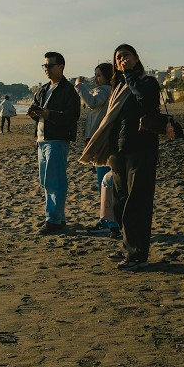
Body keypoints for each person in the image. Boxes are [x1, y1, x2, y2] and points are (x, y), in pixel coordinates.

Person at [78, 43, 163, 270]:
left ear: (136, 58)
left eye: (126, 55)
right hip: (119, 151)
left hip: (141, 148)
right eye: (118, 57)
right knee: (121, 203)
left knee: (138, 203)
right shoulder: (118, 87)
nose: (122, 59)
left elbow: (146, 102)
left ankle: (137, 255)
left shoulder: (146, 82)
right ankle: (127, 247)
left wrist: (129, 76)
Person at [28, 51, 81, 234]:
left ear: (61, 67)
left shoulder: (68, 91)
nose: (47, 69)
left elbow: (73, 116)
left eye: (50, 65)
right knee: (46, 180)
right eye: (45, 66)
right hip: (43, 139)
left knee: (54, 180)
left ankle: (54, 220)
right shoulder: (43, 89)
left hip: (57, 139)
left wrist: (48, 114)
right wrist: (35, 114)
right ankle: (56, 217)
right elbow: (37, 110)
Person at [75, 62, 119, 237]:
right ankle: (108, 221)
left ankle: (108, 222)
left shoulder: (104, 90)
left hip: (100, 141)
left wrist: (79, 86)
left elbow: (92, 103)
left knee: (104, 183)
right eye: (95, 75)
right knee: (107, 182)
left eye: (99, 75)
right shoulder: (113, 92)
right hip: (106, 139)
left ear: (108, 77)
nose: (96, 78)